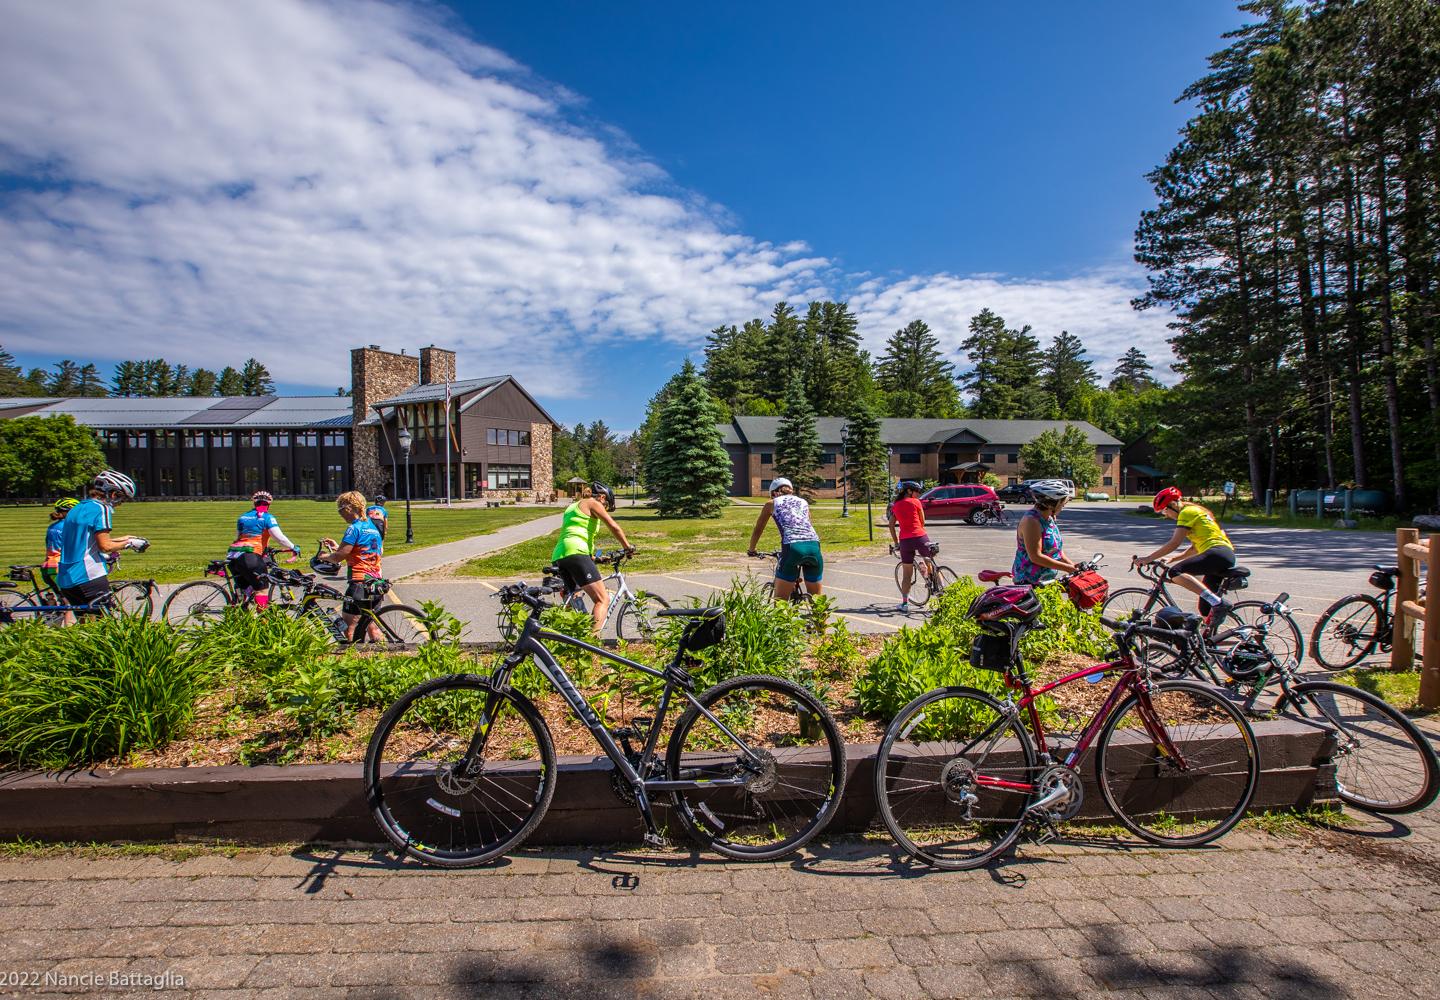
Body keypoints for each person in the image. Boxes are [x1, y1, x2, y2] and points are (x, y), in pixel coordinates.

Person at [55, 470, 146, 618]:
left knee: (86, 626)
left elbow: (88, 542)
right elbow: (105, 546)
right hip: (87, 575)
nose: (120, 504)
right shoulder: (101, 508)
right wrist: (130, 543)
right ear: (113, 494)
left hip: (66, 577)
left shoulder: (77, 508)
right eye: (122, 499)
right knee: (105, 625)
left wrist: (124, 538)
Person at [1135, 486, 1237, 615]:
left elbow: (1175, 542)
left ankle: (1219, 603)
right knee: (1206, 608)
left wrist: (1148, 558)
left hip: (1216, 553)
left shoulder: (1186, 513)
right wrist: (1173, 558)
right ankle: (1211, 631)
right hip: (1223, 554)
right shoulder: (1196, 511)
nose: (1165, 515)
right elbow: (1194, 548)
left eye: (1165, 510)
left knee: (1175, 572)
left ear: (1173, 504)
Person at [551, 482, 633, 634]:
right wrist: (628, 548)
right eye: (606, 505)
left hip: (560, 554)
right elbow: (613, 526)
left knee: (574, 597)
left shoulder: (573, 507)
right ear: (602, 497)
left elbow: (577, 532)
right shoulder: (593, 503)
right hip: (576, 551)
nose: (605, 509)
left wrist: (596, 558)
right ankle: (592, 647)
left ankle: (575, 639)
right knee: (602, 599)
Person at [321, 491, 385, 642]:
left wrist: (323, 557)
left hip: (359, 582)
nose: (340, 514)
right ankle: (383, 656)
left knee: (349, 629)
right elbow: (362, 551)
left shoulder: (353, 528)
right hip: (375, 580)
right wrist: (338, 546)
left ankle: (353, 660)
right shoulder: (372, 527)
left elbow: (338, 557)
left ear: (348, 508)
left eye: (340, 510)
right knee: (372, 628)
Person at [746, 477, 823, 602]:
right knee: (819, 605)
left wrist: (752, 549)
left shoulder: (772, 503)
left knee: (780, 606)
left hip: (792, 547)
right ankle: (821, 620)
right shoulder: (803, 502)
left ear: (774, 493)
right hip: (814, 546)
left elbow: (758, 529)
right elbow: (808, 523)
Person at [227, 490, 300, 609]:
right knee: (261, 590)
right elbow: (279, 537)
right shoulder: (267, 517)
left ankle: (238, 614)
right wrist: (293, 547)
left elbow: (238, 537)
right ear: (268, 505)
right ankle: (263, 624)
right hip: (250, 556)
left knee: (244, 589)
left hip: (233, 556)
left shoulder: (243, 517)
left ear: (254, 504)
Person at [1011, 479, 1080, 586]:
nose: (1064, 506)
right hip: (1029, 582)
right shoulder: (1031, 521)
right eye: (1062, 502)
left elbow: (1056, 552)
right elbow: (1036, 556)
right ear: (1052, 503)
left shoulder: (1050, 518)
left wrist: (1074, 567)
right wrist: (1067, 568)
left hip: (1046, 580)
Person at [888, 481, 934, 612]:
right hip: (920, 536)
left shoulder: (895, 505)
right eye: (917, 491)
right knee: (929, 560)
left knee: (907, 574)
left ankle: (904, 604)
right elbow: (922, 522)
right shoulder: (916, 502)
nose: (919, 494)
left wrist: (896, 542)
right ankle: (933, 580)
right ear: (909, 491)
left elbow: (891, 525)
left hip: (905, 541)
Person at [43, 497, 79, 624]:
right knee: (68, 602)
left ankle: (54, 620)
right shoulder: (69, 527)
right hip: (59, 566)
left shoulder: (53, 526)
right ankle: (68, 632)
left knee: (60, 597)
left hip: (48, 565)